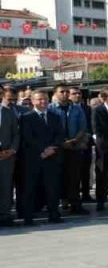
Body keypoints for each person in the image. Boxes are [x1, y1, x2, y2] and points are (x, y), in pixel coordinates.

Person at [19, 90, 65, 225]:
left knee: (52, 187)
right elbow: (28, 137)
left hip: (52, 157)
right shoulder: (26, 117)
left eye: (45, 99)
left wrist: (51, 149)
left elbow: (60, 135)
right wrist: (43, 150)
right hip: (34, 158)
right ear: (33, 101)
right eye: (39, 99)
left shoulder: (55, 117)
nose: (43, 102)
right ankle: (28, 217)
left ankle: (54, 214)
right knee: (30, 188)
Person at [49, 85, 89, 215]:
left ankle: (75, 204)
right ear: (55, 93)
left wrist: (74, 141)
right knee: (57, 177)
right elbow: (49, 129)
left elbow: (82, 127)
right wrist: (62, 142)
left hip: (74, 147)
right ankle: (57, 205)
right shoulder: (50, 109)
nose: (65, 94)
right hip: (57, 148)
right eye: (62, 91)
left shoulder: (77, 109)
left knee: (74, 177)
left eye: (67, 92)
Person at [91, 87, 108, 211]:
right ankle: (100, 200)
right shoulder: (98, 110)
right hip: (103, 147)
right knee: (102, 173)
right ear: (105, 97)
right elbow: (97, 130)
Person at [0, 85, 18, 226]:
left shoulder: (8, 111)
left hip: (6, 156)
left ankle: (5, 215)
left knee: (6, 187)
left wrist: (12, 150)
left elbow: (16, 134)